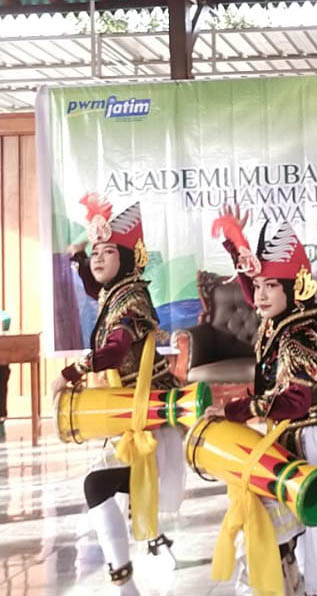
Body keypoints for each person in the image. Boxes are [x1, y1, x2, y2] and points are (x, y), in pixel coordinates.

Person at [205, 206, 317, 596]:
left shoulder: (301, 334)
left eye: (270, 286)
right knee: (290, 527)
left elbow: (295, 402)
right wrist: (235, 242)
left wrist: (236, 410)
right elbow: (255, 288)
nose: (258, 295)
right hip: (291, 433)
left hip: (313, 436)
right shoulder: (282, 319)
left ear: (294, 288)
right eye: (258, 286)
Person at [53, 195, 184, 596]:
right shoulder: (117, 291)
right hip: (129, 413)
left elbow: (114, 349)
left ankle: (125, 582)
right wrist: (80, 258)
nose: (98, 257)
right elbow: (95, 285)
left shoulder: (132, 298)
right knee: (121, 491)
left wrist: (71, 371)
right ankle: (154, 546)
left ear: (126, 259)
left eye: (107, 251)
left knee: (98, 486)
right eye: (96, 251)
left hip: (151, 419)